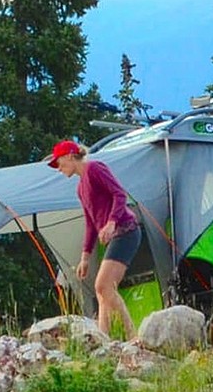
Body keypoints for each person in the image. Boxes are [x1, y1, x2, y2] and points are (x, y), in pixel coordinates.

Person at [46, 139, 142, 338]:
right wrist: (85, 257)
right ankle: (103, 337)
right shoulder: (80, 189)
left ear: (70, 156)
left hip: (126, 230)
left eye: (59, 163)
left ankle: (132, 334)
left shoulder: (94, 168)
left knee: (103, 285)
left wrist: (112, 221)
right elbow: (90, 223)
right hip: (115, 234)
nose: (59, 168)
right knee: (102, 292)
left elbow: (119, 194)